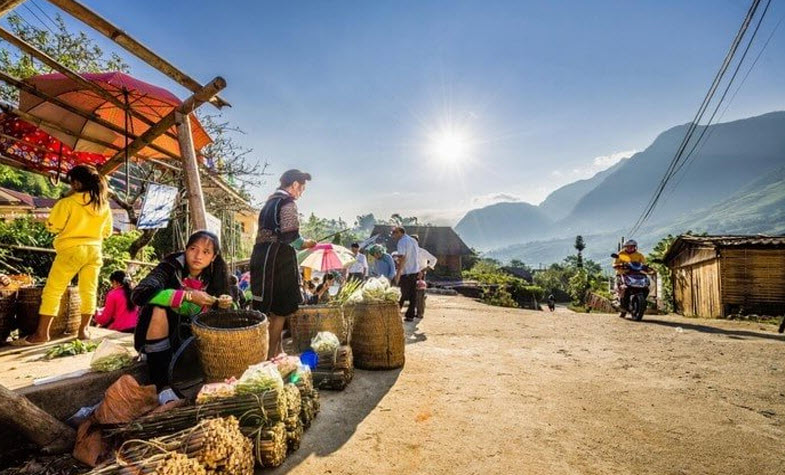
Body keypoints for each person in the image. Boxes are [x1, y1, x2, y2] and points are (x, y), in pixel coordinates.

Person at [12, 165, 113, 346]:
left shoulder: (67, 203)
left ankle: (42, 334)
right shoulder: (103, 204)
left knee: (53, 290)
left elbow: (52, 226)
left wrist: (64, 201)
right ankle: (83, 331)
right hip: (94, 251)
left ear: (76, 183)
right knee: (89, 290)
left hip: (71, 250)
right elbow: (107, 232)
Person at [132, 230, 232, 390]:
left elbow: (232, 313)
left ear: (213, 257)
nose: (198, 256)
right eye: (193, 249)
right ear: (186, 249)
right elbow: (140, 294)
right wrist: (187, 296)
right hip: (160, 337)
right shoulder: (170, 267)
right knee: (159, 307)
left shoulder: (215, 277)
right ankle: (162, 384)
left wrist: (225, 303)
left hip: (193, 343)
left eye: (206, 252)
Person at [250, 169, 316, 359]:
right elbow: (290, 236)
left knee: (269, 309)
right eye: (301, 189)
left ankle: (278, 350)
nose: (300, 193)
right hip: (278, 260)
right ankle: (271, 355)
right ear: (295, 184)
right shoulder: (287, 202)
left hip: (261, 257)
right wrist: (307, 243)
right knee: (280, 310)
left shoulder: (269, 203)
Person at [613, 239, 648, 318]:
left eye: (632, 246)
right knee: (622, 288)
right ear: (625, 247)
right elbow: (615, 263)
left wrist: (646, 267)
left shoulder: (639, 255)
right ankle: (620, 302)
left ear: (635, 247)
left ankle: (641, 303)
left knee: (646, 288)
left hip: (636, 275)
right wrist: (618, 265)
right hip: (623, 274)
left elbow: (644, 263)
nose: (630, 248)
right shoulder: (621, 254)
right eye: (628, 247)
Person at [393, 226, 420, 322]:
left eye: (394, 233)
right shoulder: (413, 241)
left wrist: (398, 272)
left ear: (400, 232)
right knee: (413, 295)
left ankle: (395, 314)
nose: (393, 235)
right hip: (414, 271)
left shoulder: (402, 241)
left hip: (407, 271)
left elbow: (402, 258)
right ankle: (410, 315)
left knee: (402, 293)